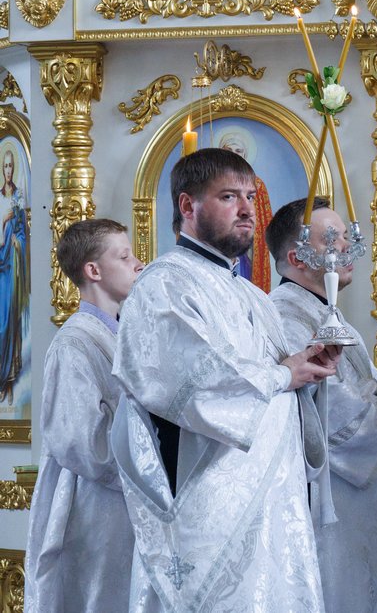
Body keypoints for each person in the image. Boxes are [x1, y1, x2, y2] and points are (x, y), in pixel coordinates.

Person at [109, 148, 341, 611]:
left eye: (250, 196)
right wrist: (284, 373)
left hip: (273, 502)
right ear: (188, 205)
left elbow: (277, 381)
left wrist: (305, 367)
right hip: (210, 509)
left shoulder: (252, 296)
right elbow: (192, 385)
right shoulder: (164, 284)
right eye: (229, 196)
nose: (247, 209)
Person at [265, 196, 377, 613]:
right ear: (297, 257)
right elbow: (334, 414)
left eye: (346, 236)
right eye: (331, 239)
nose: (346, 247)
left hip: (354, 512)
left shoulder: (332, 318)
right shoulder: (286, 317)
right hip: (324, 511)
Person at [24, 219, 144, 611]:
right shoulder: (73, 344)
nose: (137, 263)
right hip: (95, 510)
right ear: (93, 270)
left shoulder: (122, 335)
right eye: (124, 256)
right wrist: (150, 468)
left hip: (124, 506)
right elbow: (83, 445)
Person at [218, 128, 274, 292]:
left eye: (238, 151)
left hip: (245, 250)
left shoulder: (257, 185)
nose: (234, 155)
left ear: (245, 154)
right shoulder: (213, 183)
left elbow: (265, 223)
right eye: (229, 150)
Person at [0, 147, 28, 407]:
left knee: (9, 321)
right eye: (5, 166)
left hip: (12, 269)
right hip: (0, 267)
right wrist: (2, 222)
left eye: (11, 166)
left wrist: (18, 242)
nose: (8, 171)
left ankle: (8, 380)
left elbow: (22, 234)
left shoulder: (18, 198)